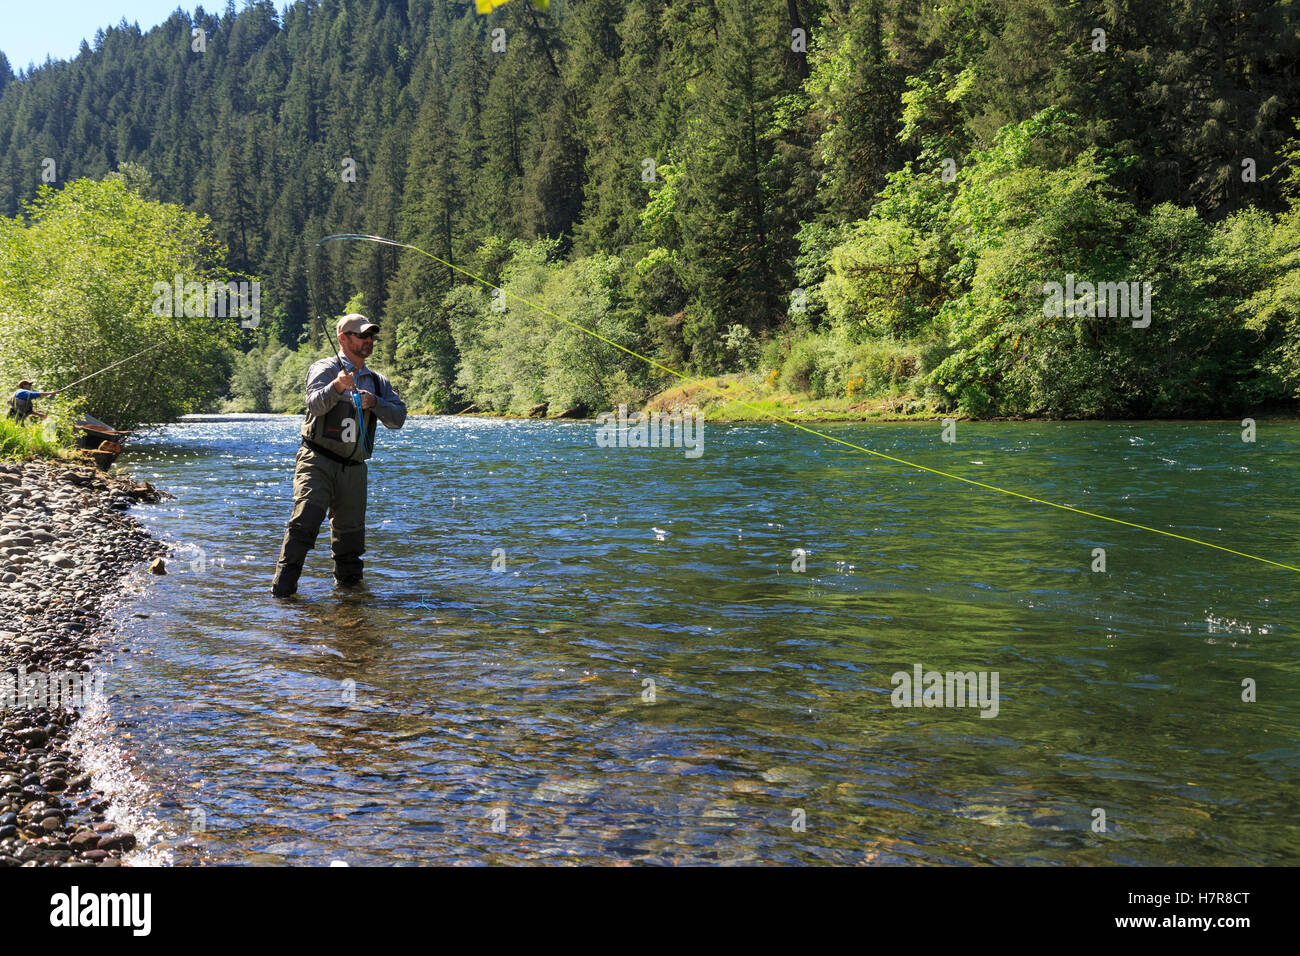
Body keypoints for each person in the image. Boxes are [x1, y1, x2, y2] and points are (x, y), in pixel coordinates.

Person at [271, 314, 407, 597]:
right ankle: (282, 595)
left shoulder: (378, 382)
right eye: (361, 335)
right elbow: (313, 405)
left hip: (355, 468)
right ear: (343, 338)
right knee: (304, 523)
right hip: (316, 459)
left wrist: (375, 402)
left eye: (370, 335)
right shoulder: (324, 368)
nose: (368, 340)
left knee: (351, 540)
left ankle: (350, 604)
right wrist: (337, 387)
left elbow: (398, 419)